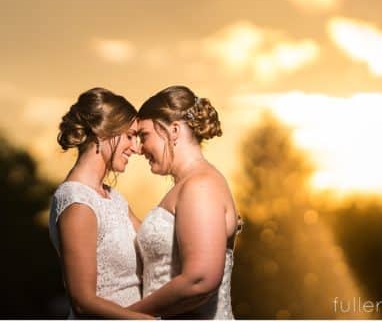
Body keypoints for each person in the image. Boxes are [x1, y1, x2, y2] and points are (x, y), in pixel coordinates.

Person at [128, 86, 242, 319]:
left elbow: (200, 279)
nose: (139, 148)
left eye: (144, 135)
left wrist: (124, 316)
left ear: (174, 130)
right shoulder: (190, 185)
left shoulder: (200, 186)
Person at [48, 87, 151, 319]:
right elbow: (83, 301)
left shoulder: (114, 198)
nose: (136, 148)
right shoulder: (77, 203)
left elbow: (151, 245)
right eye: (129, 136)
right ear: (102, 133)